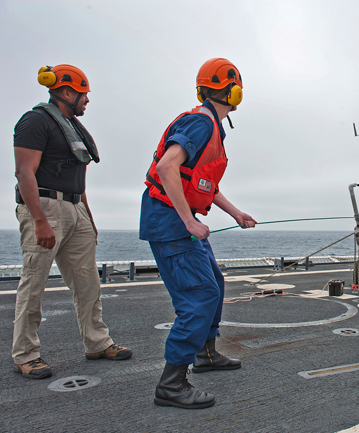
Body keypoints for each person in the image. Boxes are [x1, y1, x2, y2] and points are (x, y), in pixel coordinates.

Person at [140, 58, 256, 409]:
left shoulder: (210, 127)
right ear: (233, 89)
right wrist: (190, 222)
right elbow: (167, 166)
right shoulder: (201, 123)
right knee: (200, 295)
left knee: (214, 284)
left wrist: (235, 213)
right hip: (171, 220)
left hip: (179, 216)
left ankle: (207, 354)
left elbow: (203, 183)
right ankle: (171, 384)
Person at [12, 64, 133, 379]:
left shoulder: (74, 128)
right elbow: (25, 172)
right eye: (83, 94)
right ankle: (26, 355)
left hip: (76, 208)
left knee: (88, 283)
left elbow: (78, 176)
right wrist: (39, 220)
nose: (87, 101)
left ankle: (97, 342)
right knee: (34, 283)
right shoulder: (35, 121)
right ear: (66, 91)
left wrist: (88, 218)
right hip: (46, 206)